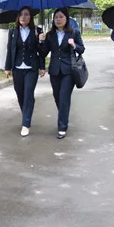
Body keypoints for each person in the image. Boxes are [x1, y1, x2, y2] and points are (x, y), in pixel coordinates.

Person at [39, 8, 85, 139]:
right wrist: (41, 41)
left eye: (61, 17)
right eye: (56, 17)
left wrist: (74, 45)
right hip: (54, 71)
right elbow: (43, 53)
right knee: (57, 97)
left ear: (66, 18)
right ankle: (64, 116)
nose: (58, 19)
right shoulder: (50, 35)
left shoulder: (73, 33)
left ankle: (62, 127)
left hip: (68, 71)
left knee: (64, 97)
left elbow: (82, 49)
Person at [4, 6, 46, 137]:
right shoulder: (13, 31)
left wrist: (41, 41)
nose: (23, 17)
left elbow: (41, 52)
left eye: (26, 14)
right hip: (17, 68)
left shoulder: (37, 31)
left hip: (31, 68)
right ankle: (26, 114)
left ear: (30, 17)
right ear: (18, 17)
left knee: (28, 94)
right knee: (20, 94)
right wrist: (7, 67)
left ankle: (25, 124)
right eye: (21, 14)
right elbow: (10, 50)